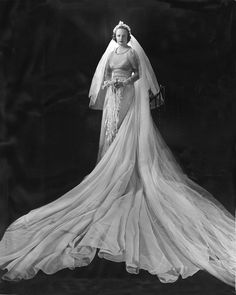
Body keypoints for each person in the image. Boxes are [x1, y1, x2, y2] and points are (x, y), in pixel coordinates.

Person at [0, 21, 235, 288]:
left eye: (124, 35)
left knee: (126, 133)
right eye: (118, 35)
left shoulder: (132, 54)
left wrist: (124, 82)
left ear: (128, 37)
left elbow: (138, 75)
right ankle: (111, 167)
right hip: (113, 95)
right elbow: (103, 76)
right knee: (111, 133)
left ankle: (127, 166)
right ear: (115, 36)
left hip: (127, 95)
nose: (121, 38)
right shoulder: (110, 54)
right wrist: (111, 83)